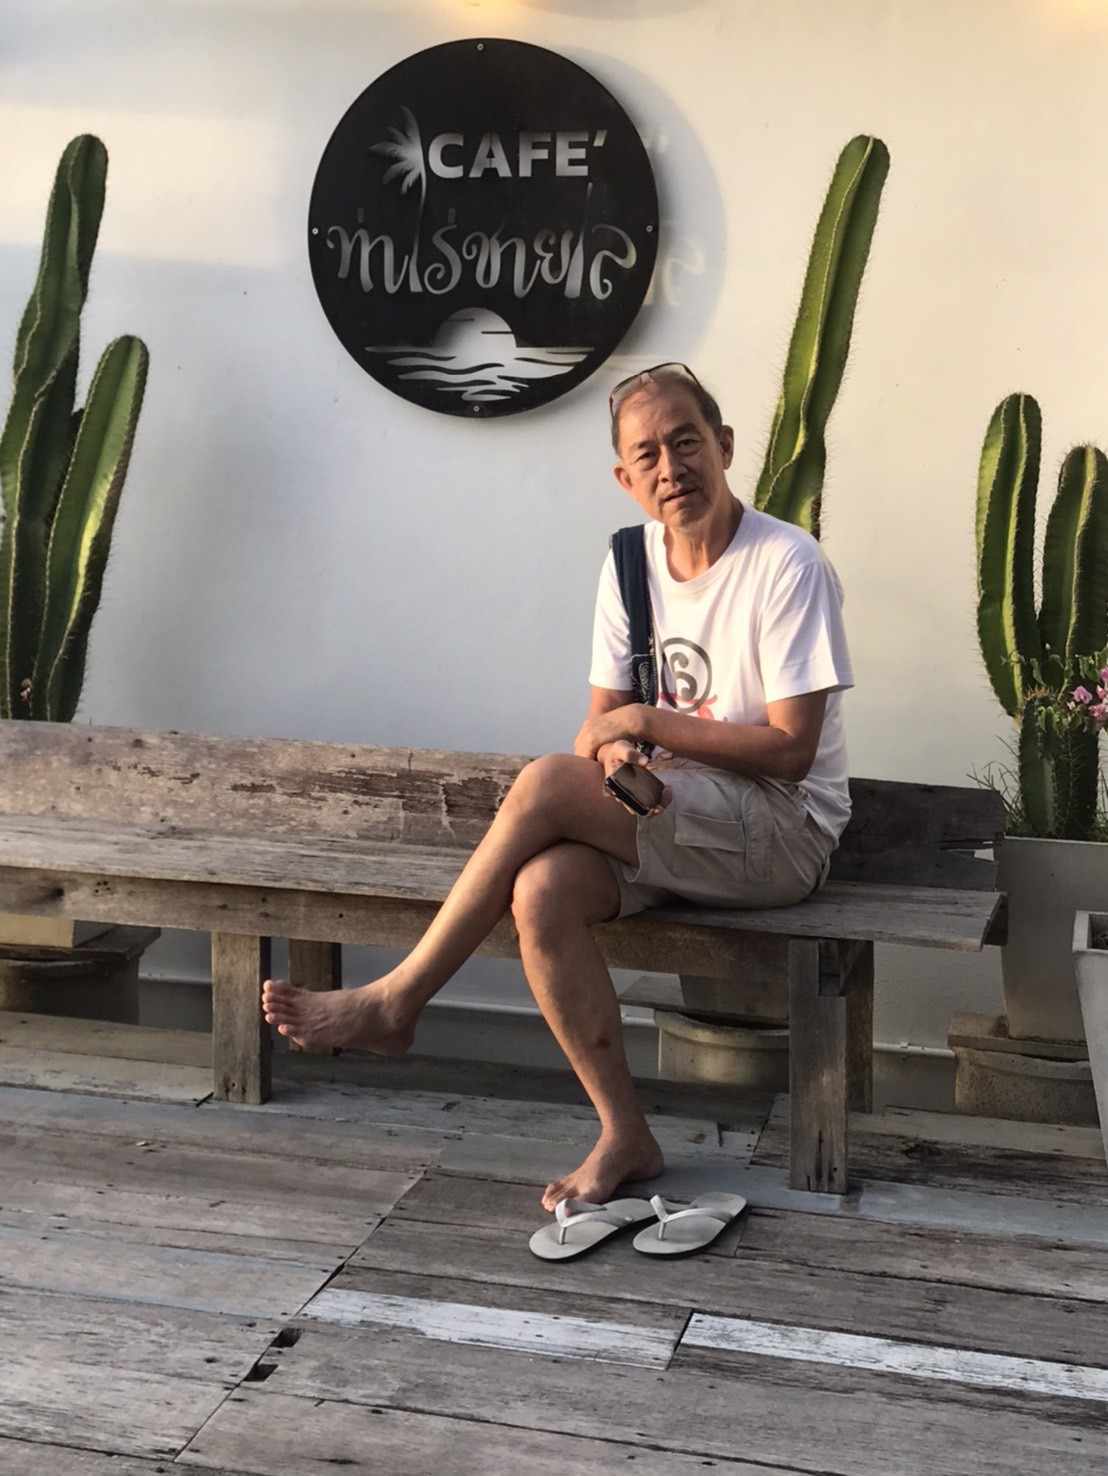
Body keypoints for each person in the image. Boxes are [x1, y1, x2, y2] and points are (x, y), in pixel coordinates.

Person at [261, 362, 854, 1212]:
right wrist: (619, 759)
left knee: (543, 784)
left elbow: (792, 751)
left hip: (781, 834)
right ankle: (625, 1133)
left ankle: (398, 998)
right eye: (647, 455)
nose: (671, 468)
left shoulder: (786, 564)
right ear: (625, 478)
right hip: (671, 817)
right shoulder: (629, 565)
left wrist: (644, 725)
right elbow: (597, 730)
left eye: (686, 442)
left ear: (724, 446)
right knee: (541, 892)